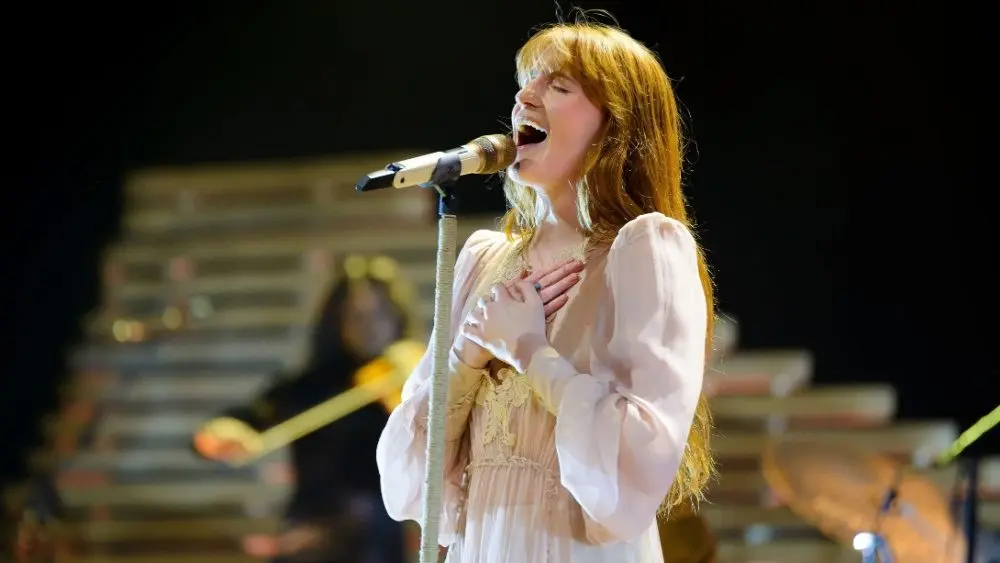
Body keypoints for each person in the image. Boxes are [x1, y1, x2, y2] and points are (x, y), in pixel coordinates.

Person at [375, 15, 716, 563]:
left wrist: (531, 351)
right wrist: (468, 353)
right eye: (526, 82)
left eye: (557, 86)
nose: (523, 97)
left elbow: (638, 459)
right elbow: (411, 480)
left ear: (615, 126)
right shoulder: (484, 260)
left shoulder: (644, 249)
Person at [194, 255, 415, 563]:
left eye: (381, 314)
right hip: (311, 534)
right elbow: (256, 413)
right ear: (336, 321)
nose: (372, 327)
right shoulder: (313, 385)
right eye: (357, 317)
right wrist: (226, 428)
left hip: (378, 540)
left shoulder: (414, 382)